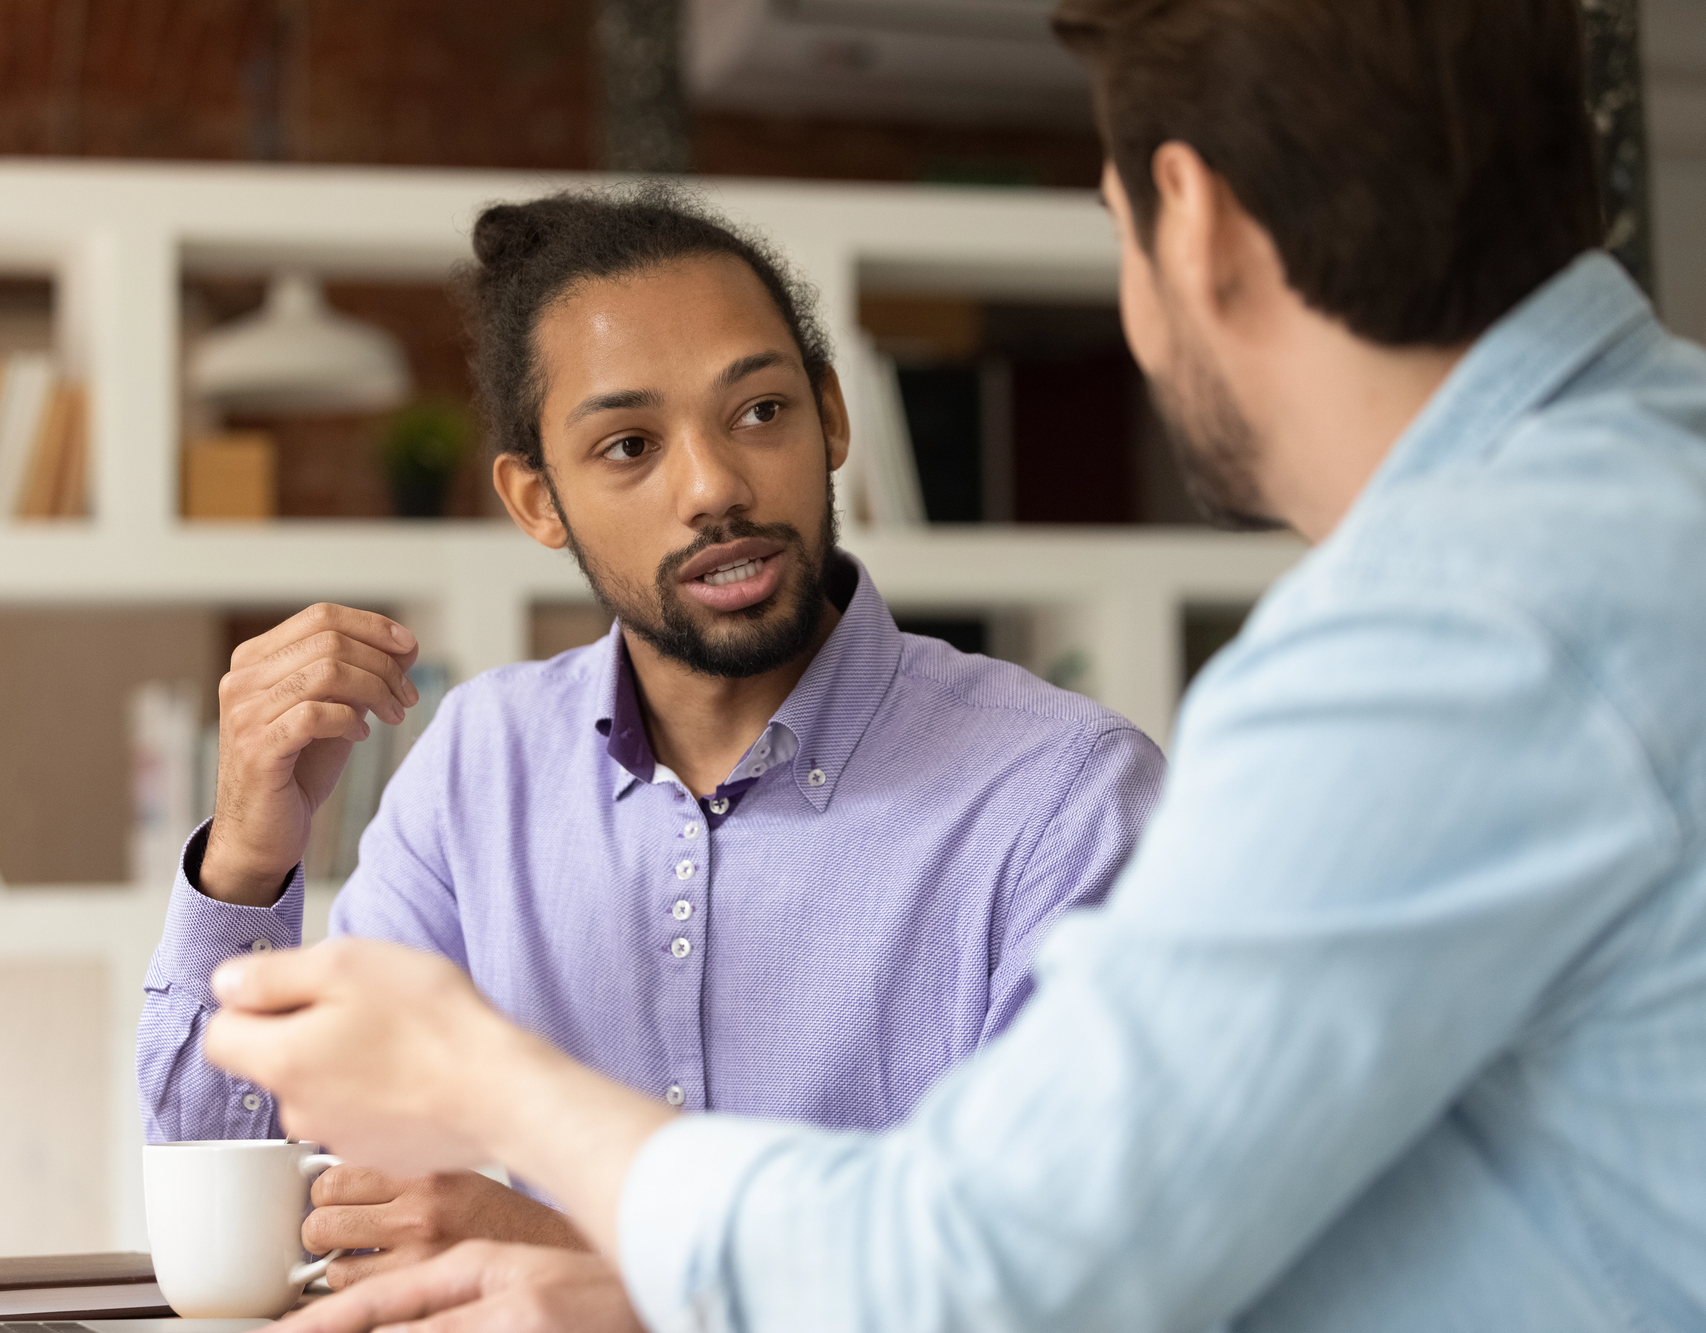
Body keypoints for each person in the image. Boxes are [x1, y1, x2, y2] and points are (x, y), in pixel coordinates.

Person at [201, 0, 1706, 1329]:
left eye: (1114, 231)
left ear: (1198, 221)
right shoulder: (1702, 477)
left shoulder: (1455, 630)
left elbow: (993, 1272)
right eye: (626, 442)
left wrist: (497, 1086)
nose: (710, 483)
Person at [138, 187, 1164, 1281]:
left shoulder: (1063, 796)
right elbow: (256, 1238)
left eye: (761, 411)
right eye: (628, 444)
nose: (714, 485)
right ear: (538, 503)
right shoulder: (477, 765)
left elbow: (1066, 1273)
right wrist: (248, 859)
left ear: (831, 414)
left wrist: (589, 1262)